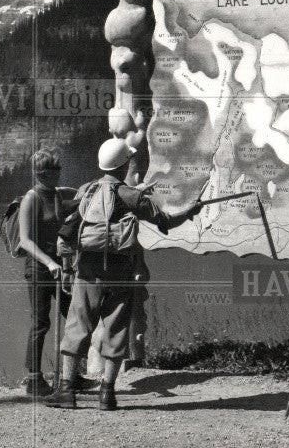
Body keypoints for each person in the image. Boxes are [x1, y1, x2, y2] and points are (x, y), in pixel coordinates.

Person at [45, 138, 202, 411]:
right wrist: (189, 212)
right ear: (122, 165)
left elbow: (70, 227)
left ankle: (67, 391)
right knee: (116, 328)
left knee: (77, 325)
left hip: (88, 270)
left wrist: (68, 268)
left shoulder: (86, 190)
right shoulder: (132, 196)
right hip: (121, 271)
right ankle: (107, 394)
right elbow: (165, 222)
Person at [18, 148, 98, 397]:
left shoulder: (56, 195)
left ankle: (70, 376)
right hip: (38, 268)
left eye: (55, 171)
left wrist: (63, 266)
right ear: (37, 174)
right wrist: (49, 263)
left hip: (59, 268)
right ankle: (33, 379)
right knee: (41, 322)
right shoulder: (31, 198)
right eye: (46, 173)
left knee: (74, 316)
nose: (52, 176)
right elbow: (25, 240)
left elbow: (68, 218)